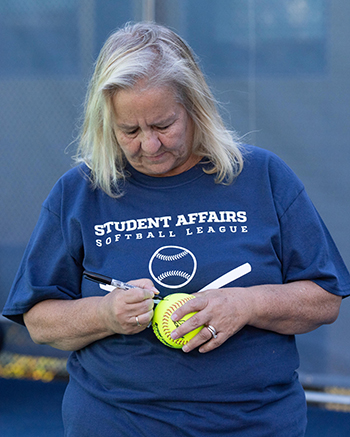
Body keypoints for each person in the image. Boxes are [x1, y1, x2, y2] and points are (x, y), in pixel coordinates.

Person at [3, 22, 350, 436]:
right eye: (129, 130)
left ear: (195, 108)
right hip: (115, 424)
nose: (149, 145)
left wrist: (247, 305)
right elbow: (39, 320)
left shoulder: (262, 177)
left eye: (163, 125)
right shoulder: (79, 192)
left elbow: (325, 298)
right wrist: (104, 313)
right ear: (105, 122)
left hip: (252, 424)